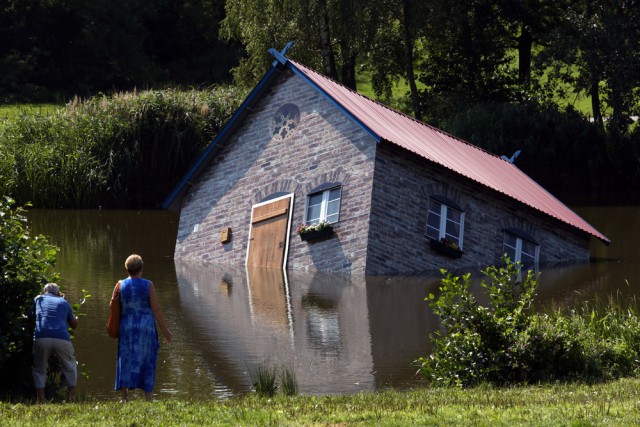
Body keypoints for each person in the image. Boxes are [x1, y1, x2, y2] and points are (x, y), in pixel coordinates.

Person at [113, 254, 172, 402]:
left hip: (126, 327)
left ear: (127, 269)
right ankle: (149, 397)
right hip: (145, 327)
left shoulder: (120, 284)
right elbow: (156, 308)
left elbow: (112, 306)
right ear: (142, 269)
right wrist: (166, 331)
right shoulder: (148, 285)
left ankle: (124, 397)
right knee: (148, 358)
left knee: (125, 358)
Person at [31, 283, 78, 402]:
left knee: (39, 369)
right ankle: (70, 397)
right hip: (62, 338)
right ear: (58, 293)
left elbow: (32, 316)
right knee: (70, 367)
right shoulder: (64, 303)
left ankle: (40, 399)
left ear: (44, 291)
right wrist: (74, 318)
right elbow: (74, 325)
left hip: (41, 336)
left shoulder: (38, 299)